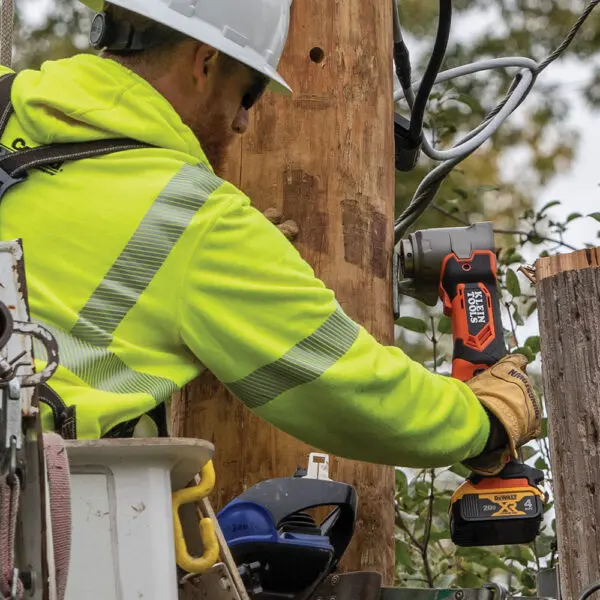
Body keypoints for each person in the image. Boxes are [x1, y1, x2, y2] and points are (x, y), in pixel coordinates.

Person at [0, 0, 540, 475]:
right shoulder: (196, 220)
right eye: (249, 95)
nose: (240, 124)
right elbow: (350, 386)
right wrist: (484, 421)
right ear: (205, 62)